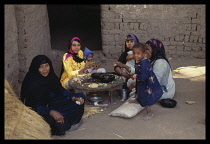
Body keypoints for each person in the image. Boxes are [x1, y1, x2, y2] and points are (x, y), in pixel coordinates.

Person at [20, 55, 85, 136]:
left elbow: (61, 91)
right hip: (41, 110)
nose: (45, 69)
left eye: (46, 66)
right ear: (36, 68)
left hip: (53, 102)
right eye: (41, 67)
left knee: (81, 97)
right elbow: (34, 106)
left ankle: (69, 120)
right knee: (57, 124)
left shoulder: (51, 76)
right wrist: (51, 112)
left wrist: (73, 98)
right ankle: (66, 122)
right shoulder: (32, 82)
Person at [130, 43, 163, 120]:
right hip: (142, 83)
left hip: (146, 84)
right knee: (139, 92)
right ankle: (137, 100)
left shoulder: (144, 63)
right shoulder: (139, 61)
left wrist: (136, 76)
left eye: (138, 53)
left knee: (146, 98)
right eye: (134, 53)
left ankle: (149, 113)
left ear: (144, 53)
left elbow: (144, 76)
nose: (136, 55)